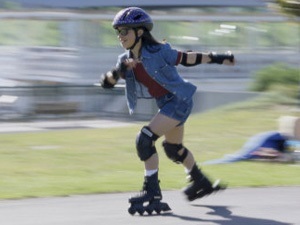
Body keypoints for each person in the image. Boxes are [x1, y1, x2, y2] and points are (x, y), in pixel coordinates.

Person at [100, 7, 235, 215]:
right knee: (173, 149)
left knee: (144, 139)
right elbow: (106, 84)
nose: (120, 36)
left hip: (178, 100)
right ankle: (201, 181)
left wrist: (217, 57)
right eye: (118, 31)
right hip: (167, 104)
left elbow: (187, 58)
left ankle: (152, 192)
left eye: (125, 31)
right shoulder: (124, 60)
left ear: (140, 32)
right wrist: (119, 71)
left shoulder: (159, 52)